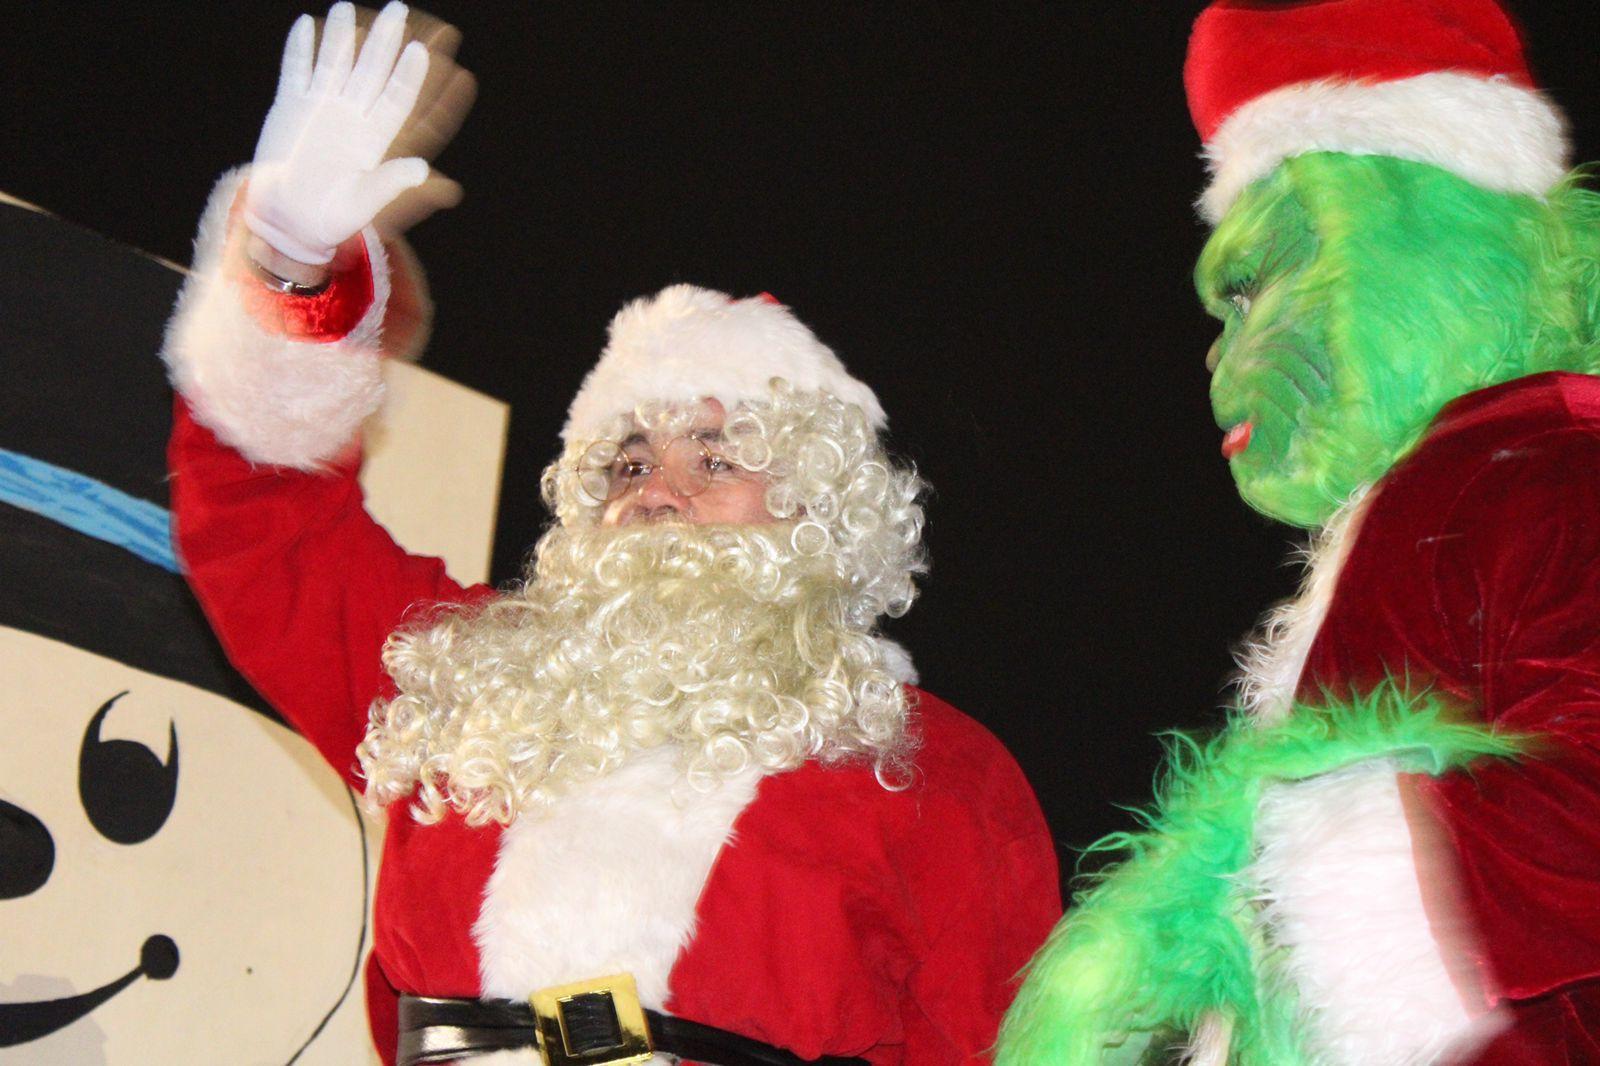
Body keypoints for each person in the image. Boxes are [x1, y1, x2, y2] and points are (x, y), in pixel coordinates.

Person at [160, 4, 1061, 1064]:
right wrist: (292, 266)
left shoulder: (932, 771)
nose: (656, 492)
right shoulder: (463, 679)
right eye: (627, 462)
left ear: (821, 513)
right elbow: (268, 531)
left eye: (714, 460)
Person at [998, 1, 1600, 1063]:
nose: (1220, 357)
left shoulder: (1548, 462)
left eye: (1251, 281)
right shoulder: (1440, 491)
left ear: (1410, 240)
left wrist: (1258, 882)